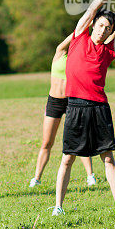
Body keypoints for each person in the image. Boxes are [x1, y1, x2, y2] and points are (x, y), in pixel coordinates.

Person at [52, 0, 115, 216]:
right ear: (93, 25)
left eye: (107, 28)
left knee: (107, 158)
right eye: (100, 25)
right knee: (67, 159)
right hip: (75, 107)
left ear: (110, 32)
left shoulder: (109, 51)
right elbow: (92, 9)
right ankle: (58, 206)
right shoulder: (79, 36)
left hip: (99, 108)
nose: (102, 30)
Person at [29, 33, 96, 188]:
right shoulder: (60, 52)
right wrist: (81, 29)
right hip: (54, 101)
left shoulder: (80, 59)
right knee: (47, 142)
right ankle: (36, 178)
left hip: (73, 101)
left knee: (78, 141)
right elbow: (68, 39)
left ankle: (90, 175)